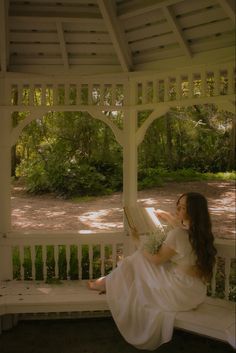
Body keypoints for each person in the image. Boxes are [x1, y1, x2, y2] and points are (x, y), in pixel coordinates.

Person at [88, 192, 217, 350]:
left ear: (192, 212)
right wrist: (167, 217)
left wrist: (138, 242)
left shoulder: (177, 234)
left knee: (138, 258)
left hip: (177, 294)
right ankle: (107, 281)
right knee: (143, 261)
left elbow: (156, 259)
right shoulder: (202, 234)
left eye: (183, 208)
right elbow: (181, 230)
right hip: (195, 293)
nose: (178, 209)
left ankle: (106, 283)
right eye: (178, 205)